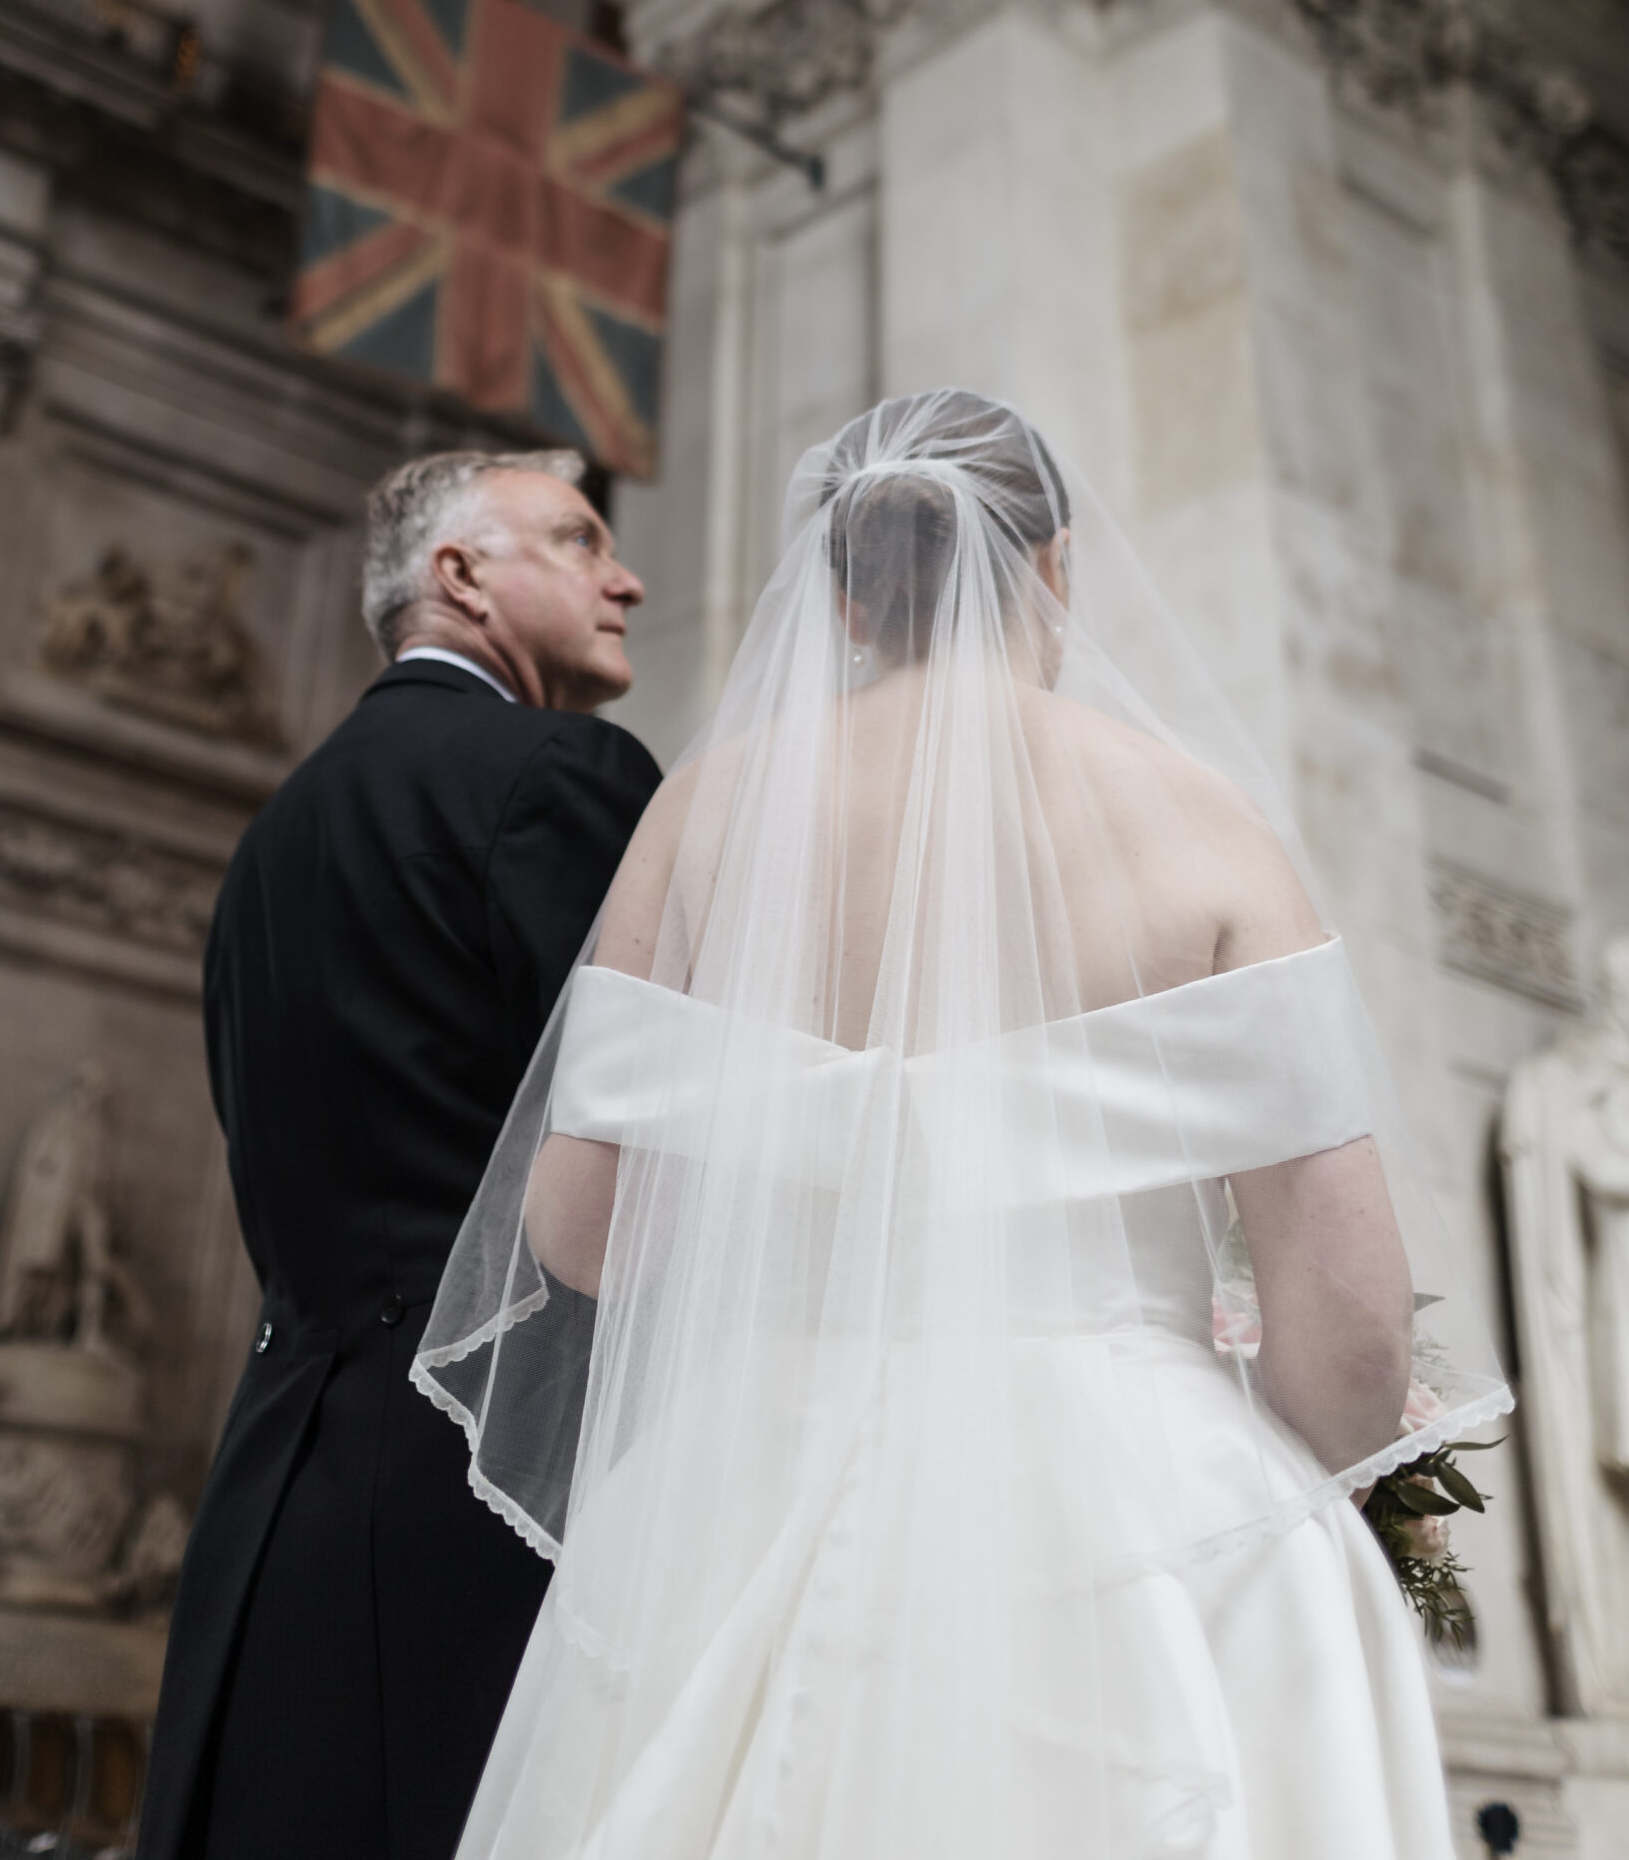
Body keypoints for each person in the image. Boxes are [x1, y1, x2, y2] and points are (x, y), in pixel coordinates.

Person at [417, 392, 1511, 1860]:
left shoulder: (703, 814)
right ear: (1051, 565)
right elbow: (1352, 1319)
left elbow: (580, 1223)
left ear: (848, 597)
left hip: (746, 1482)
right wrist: (1303, 1456)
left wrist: (800, 1253)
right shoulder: (1203, 823)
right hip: (1127, 1499)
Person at [139, 448, 661, 1860]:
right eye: (576, 538)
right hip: (489, 1484)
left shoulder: (270, 838)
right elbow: (647, 1144)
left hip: (274, 1503)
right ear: (461, 577)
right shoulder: (562, 773)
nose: (626, 576)